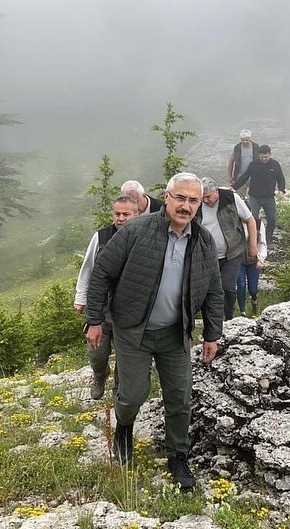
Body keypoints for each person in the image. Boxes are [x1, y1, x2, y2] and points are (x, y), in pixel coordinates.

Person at [84, 172, 223, 490]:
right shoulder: (136, 230)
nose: (186, 206)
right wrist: (94, 319)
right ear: (167, 197)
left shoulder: (203, 241)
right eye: (180, 198)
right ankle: (124, 429)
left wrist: (212, 334)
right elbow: (102, 272)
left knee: (180, 397)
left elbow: (214, 290)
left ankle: (178, 456)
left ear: (199, 204)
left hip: (175, 334)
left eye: (193, 200)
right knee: (132, 394)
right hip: (133, 329)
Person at [74, 195, 139, 399]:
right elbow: (88, 269)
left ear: (136, 215)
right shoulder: (101, 237)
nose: (120, 218)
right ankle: (100, 374)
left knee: (125, 355)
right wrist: (80, 297)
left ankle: (119, 390)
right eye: (117, 213)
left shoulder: (144, 237)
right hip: (101, 308)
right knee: (97, 353)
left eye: (126, 214)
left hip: (130, 312)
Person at [198, 177, 257, 320]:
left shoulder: (231, 198)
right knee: (208, 289)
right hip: (207, 256)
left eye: (208, 197)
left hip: (233, 252)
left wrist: (252, 245)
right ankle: (212, 319)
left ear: (216, 191)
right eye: (202, 198)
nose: (205, 201)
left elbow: (250, 219)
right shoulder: (196, 205)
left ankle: (229, 316)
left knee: (227, 287)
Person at [231, 144, 286, 247]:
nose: (264, 159)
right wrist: (234, 187)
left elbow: (281, 178)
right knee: (253, 218)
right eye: (261, 157)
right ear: (258, 155)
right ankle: (253, 240)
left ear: (270, 154)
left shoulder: (275, 164)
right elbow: (245, 176)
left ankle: (268, 240)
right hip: (254, 196)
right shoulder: (253, 164)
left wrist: (282, 190)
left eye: (266, 157)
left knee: (272, 219)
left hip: (269, 197)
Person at [237, 218, 267, 317]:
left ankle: (254, 302)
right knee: (241, 285)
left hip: (253, 260)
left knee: (253, 289)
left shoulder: (258, 223)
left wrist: (261, 259)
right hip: (239, 260)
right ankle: (242, 312)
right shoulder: (234, 222)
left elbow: (262, 243)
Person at [227, 129, 259, 199]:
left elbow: (262, 161)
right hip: (240, 177)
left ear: (250, 139)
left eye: (246, 140)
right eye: (242, 140)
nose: (244, 142)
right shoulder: (237, 148)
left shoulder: (256, 147)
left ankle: (252, 209)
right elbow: (231, 161)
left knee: (254, 197)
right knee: (240, 198)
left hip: (254, 176)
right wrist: (230, 176)